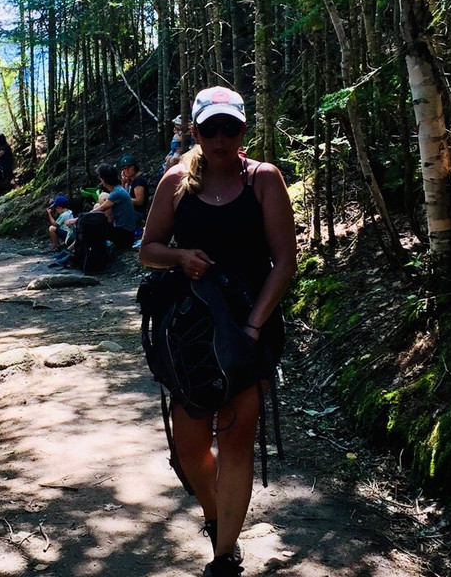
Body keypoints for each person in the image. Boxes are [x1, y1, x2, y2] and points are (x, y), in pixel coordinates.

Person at [139, 85, 296, 577]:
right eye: (211, 128)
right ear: (195, 131)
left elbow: (285, 260)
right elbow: (148, 249)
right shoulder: (174, 183)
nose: (221, 137)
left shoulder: (264, 181)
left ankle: (224, 556)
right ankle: (214, 513)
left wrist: (253, 328)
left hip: (249, 327)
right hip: (191, 334)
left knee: (234, 439)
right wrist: (181, 257)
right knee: (189, 449)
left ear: (244, 130)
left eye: (231, 127)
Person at [119, 154, 150, 220]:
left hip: (138, 213)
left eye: (129, 167)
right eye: (124, 168)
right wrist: (124, 183)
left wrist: (123, 199)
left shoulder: (139, 181)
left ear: (134, 167)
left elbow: (139, 201)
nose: (126, 170)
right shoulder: (130, 181)